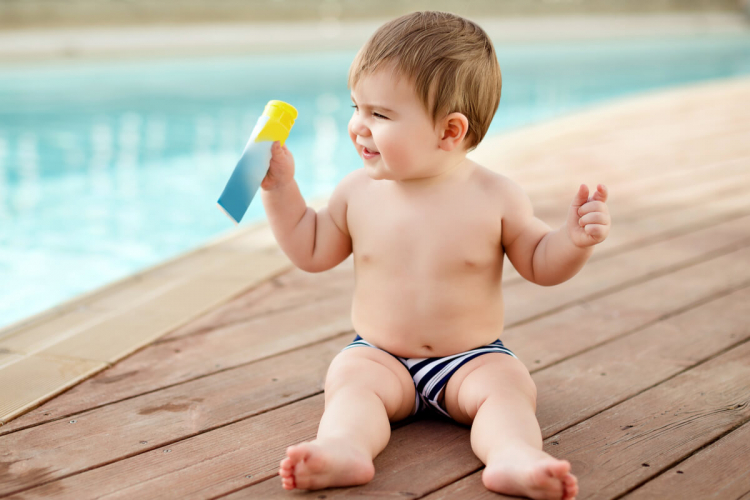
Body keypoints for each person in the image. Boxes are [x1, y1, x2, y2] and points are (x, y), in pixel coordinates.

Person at [261, 11, 610, 500]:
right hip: (380, 354)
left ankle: (513, 456)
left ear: (449, 132)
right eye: (357, 106)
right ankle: (343, 448)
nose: (359, 126)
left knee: (508, 389)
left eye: (379, 115)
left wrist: (571, 241)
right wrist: (281, 190)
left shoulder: (496, 196)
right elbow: (312, 249)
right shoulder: (356, 192)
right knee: (350, 382)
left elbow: (539, 263)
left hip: (471, 359)